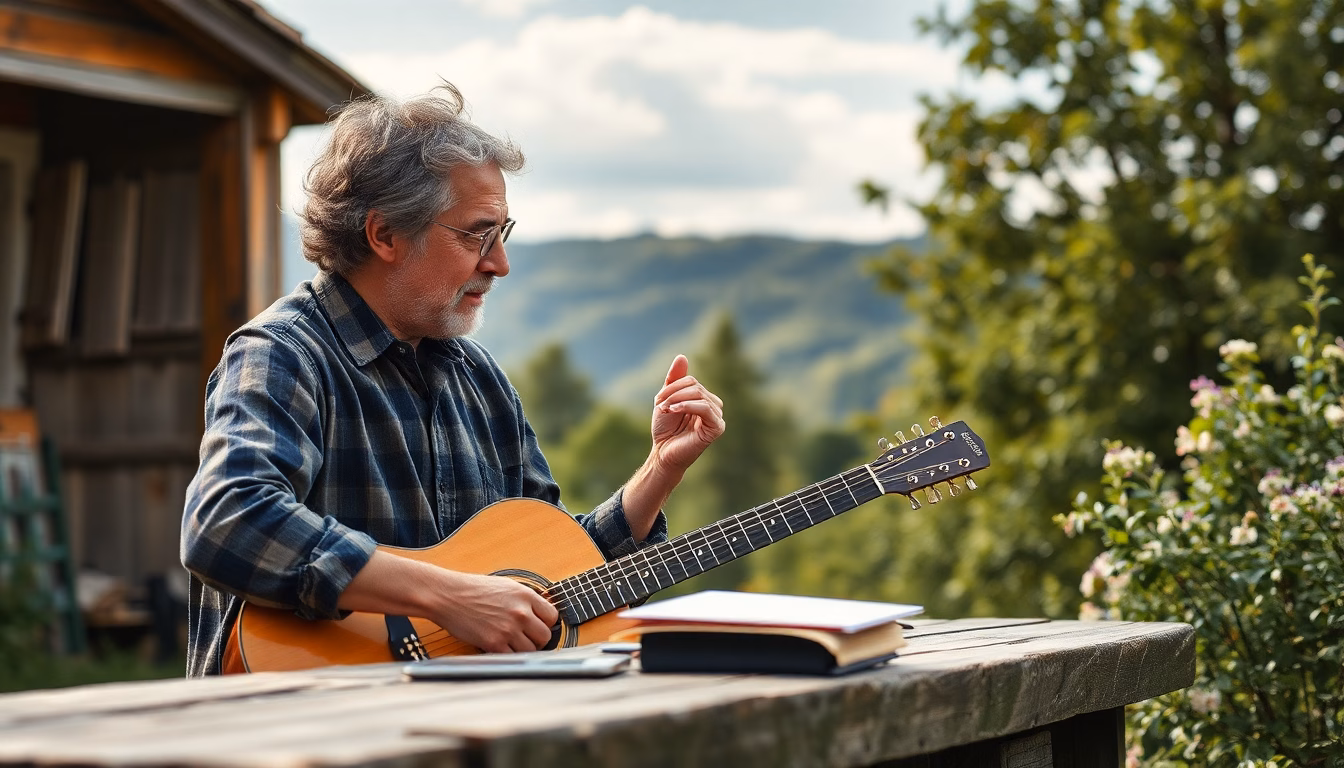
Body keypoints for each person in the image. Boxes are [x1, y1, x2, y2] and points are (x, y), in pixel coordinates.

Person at [180, 84, 726, 677]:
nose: (499, 263)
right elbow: (226, 522)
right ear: (385, 235)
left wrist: (659, 470)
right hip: (299, 713)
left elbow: (554, 574)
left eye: (502, 234)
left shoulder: (480, 379)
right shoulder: (283, 355)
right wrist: (447, 596)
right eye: (476, 234)